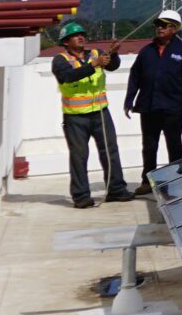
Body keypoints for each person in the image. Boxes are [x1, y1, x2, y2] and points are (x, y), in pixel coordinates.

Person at [49, 18, 134, 208]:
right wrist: (93, 65)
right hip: (75, 117)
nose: (80, 37)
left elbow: (112, 66)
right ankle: (81, 197)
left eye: (82, 35)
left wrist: (114, 53)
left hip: (100, 113)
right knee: (79, 157)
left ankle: (116, 190)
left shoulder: (96, 53)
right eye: (75, 36)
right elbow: (67, 76)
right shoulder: (60, 60)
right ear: (65, 42)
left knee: (110, 151)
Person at [124, 9, 182, 192]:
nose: (160, 28)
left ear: (174, 28)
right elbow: (135, 76)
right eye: (158, 25)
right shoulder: (146, 51)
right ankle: (147, 182)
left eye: (164, 25)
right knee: (149, 147)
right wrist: (129, 99)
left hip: (172, 107)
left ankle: (177, 180)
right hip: (148, 106)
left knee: (174, 145)